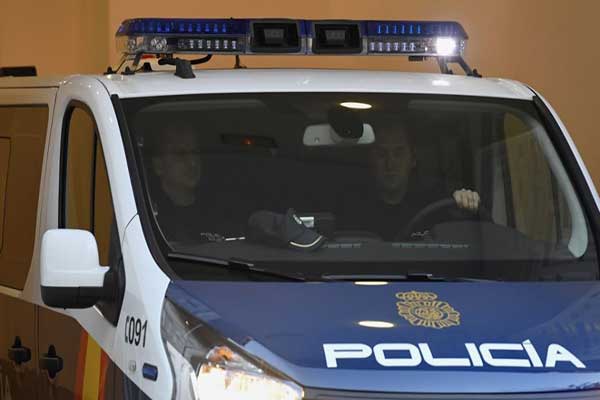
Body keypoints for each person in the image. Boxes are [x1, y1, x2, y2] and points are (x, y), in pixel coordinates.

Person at [339, 116, 481, 240]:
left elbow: (462, 239)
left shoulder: (434, 205)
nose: (390, 164)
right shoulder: (352, 208)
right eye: (382, 154)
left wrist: (466, 204)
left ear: (412, 160)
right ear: (371, 160)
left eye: (399, 153)